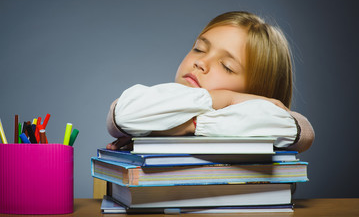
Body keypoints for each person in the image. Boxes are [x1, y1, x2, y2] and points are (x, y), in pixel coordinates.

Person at [106, 11, 314, 153]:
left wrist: (190, 125)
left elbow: (300, 131)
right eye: (198, 48)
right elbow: (122, 113)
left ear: (257, 92)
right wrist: (224, 98)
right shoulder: (159, 99)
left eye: (227, 66)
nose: (201, 62)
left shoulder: (265, 118)